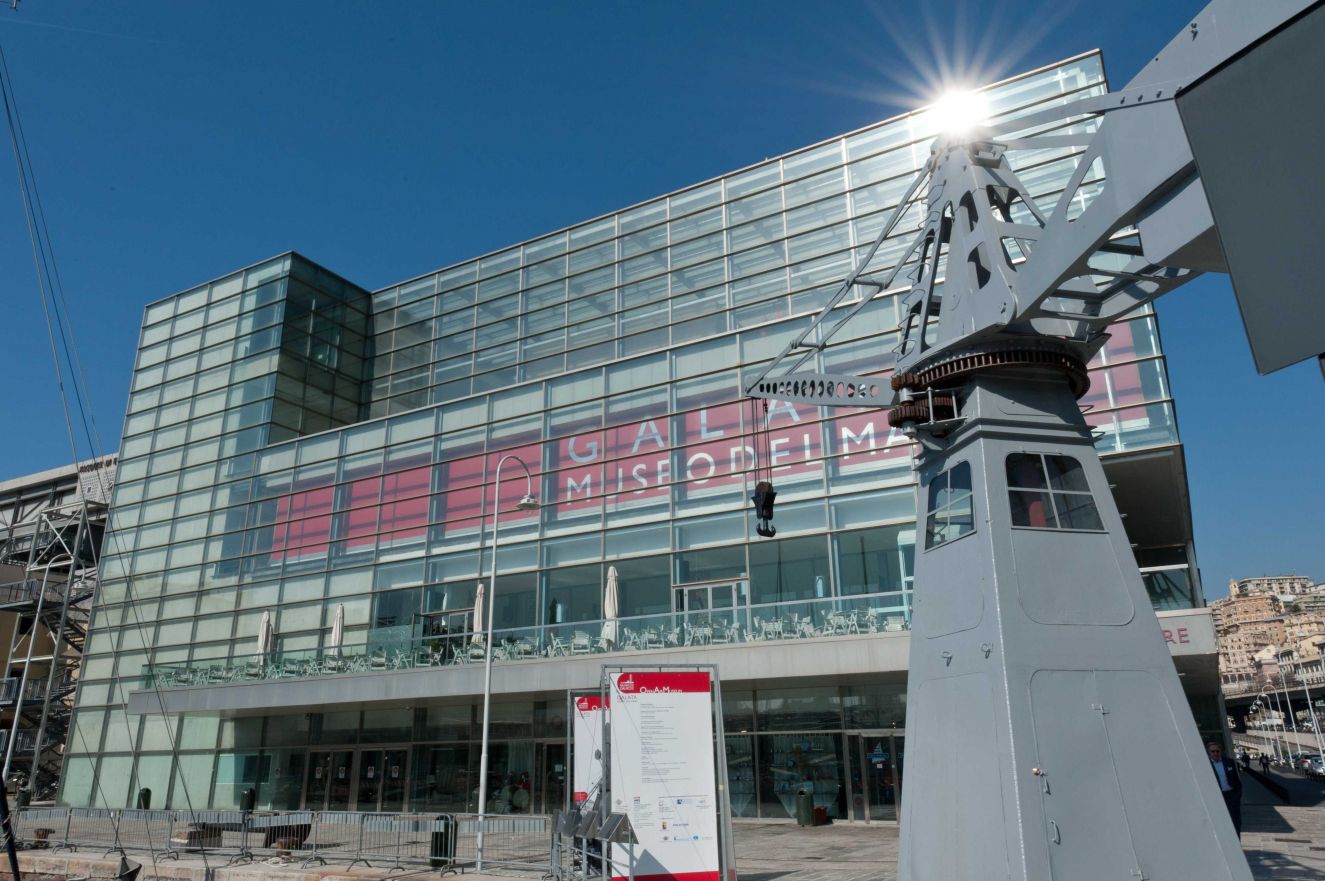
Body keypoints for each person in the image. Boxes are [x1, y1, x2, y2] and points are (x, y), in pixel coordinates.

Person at [1208, 741, 1243, 837]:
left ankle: (1237, 844)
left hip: (1232, 796)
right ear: (1209, 753)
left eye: (1217, 751)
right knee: (1220, 822)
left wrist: (1238, 795)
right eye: (1213, 751)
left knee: (1235, 822)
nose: (1215, 753)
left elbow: (1237, 779)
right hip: (1218, 797)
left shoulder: (1229, 762)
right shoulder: (1206, 766)